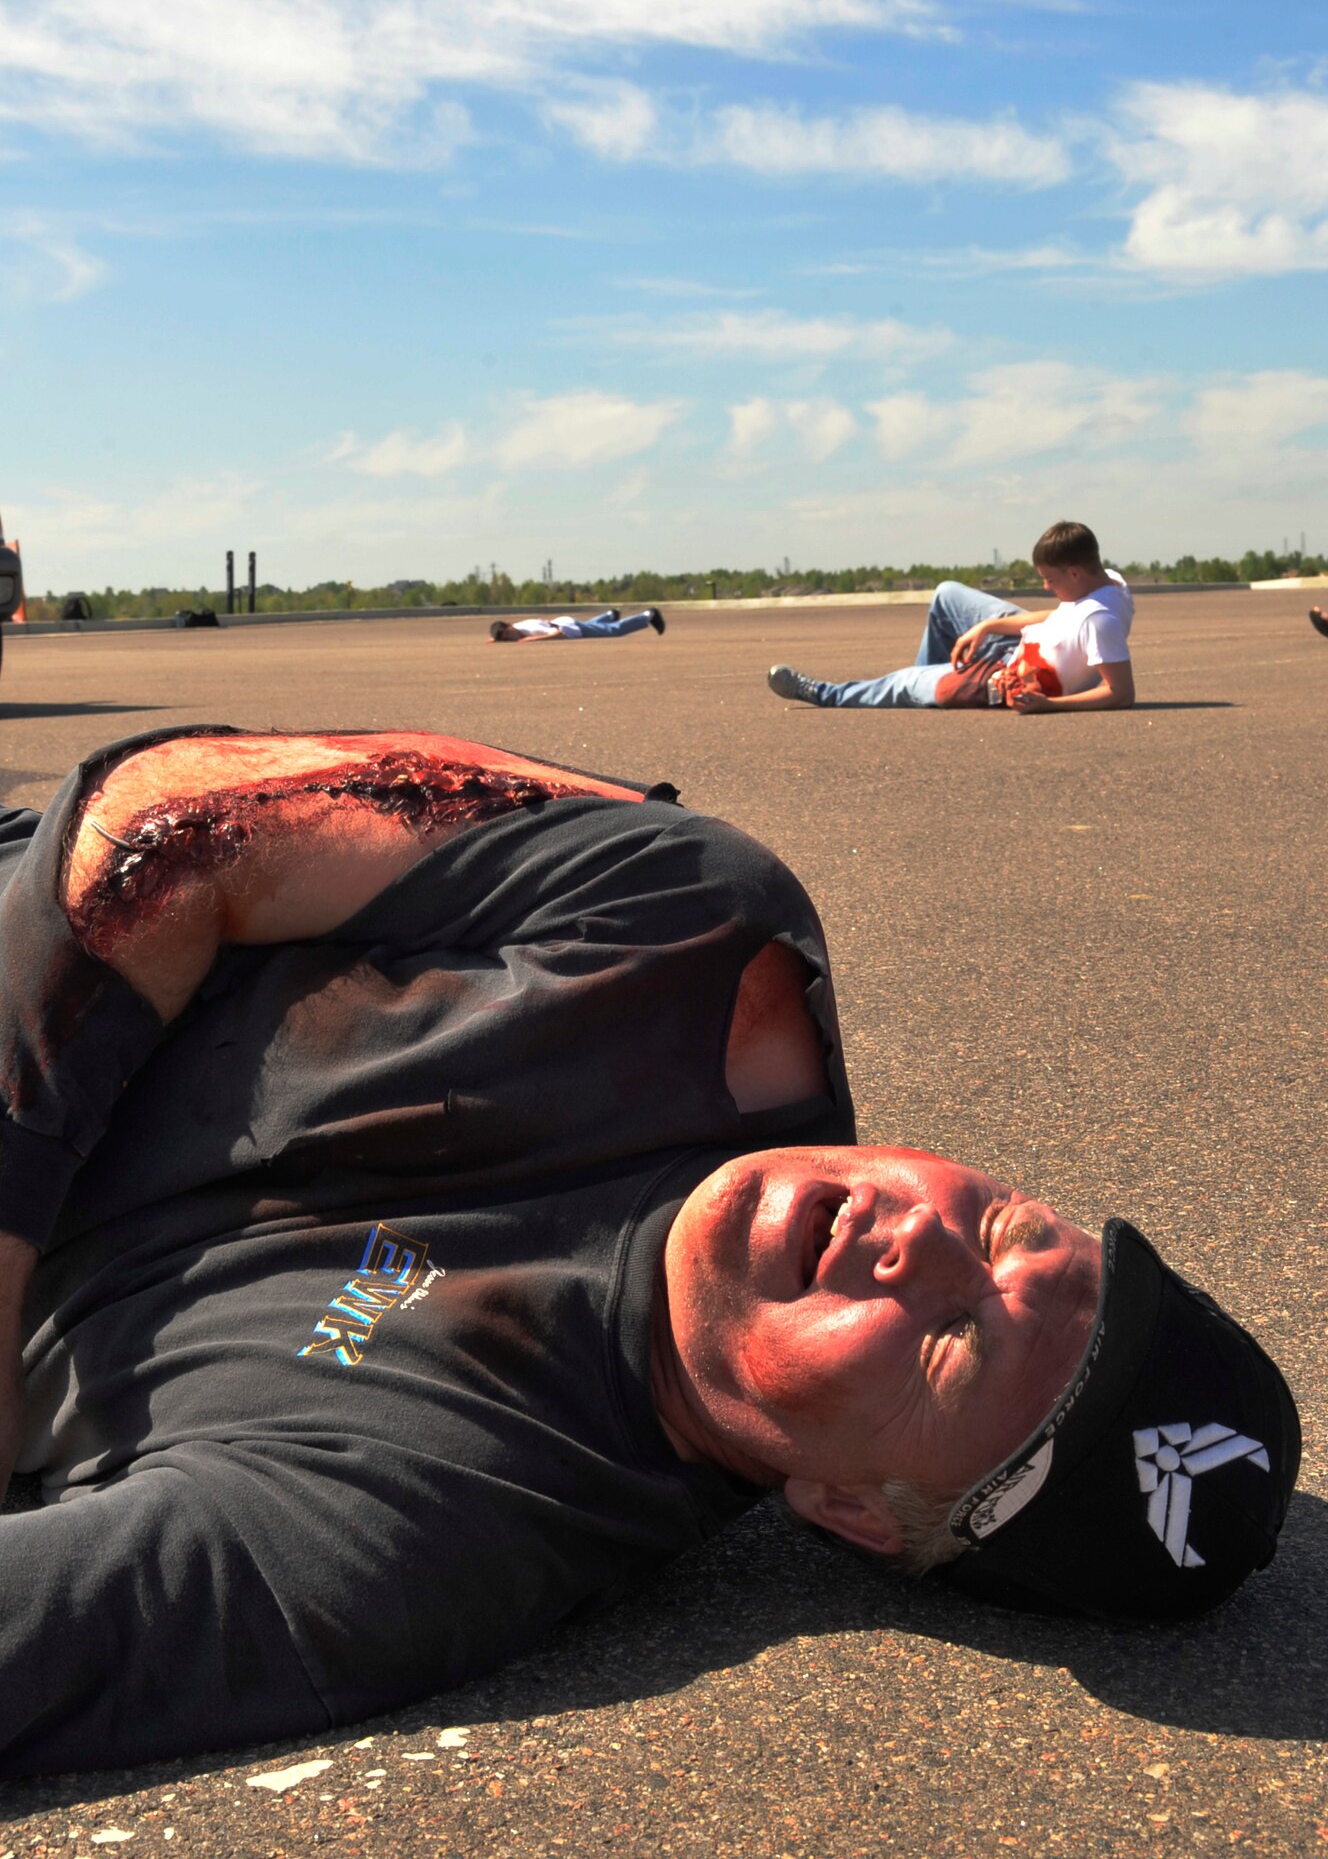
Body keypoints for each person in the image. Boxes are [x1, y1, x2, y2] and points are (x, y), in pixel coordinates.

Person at [0, 726, 1298, 1773]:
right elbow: (168, 811)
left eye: (956, 1348)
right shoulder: (696, 936)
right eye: (1011, 1228)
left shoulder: (428, 1519)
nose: (923, 1249)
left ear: (848, 1510)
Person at [767, 522, 1135, 713]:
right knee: (946, 594)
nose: (1044, 585)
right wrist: (988, 626)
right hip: (1025, 645)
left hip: (1012, 675)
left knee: (903, 684)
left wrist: (1048, 706)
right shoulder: (1109, 581)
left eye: (1050, 579)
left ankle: (830, 694)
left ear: (1074, 573)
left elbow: (1120, 693)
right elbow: (1059, 616)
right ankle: (922, 690)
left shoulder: (1098, 620)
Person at [490, 607, 665, 641]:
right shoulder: (520, 627)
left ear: (509, 625)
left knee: (612, 631)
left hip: (570, 628)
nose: (509, 639)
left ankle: (648, 616)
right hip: (567, 623)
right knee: (594, 625)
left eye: (507, 634)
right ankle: (610, 615)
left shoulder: (528, 629)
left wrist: (532, 640)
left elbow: (557, 634)